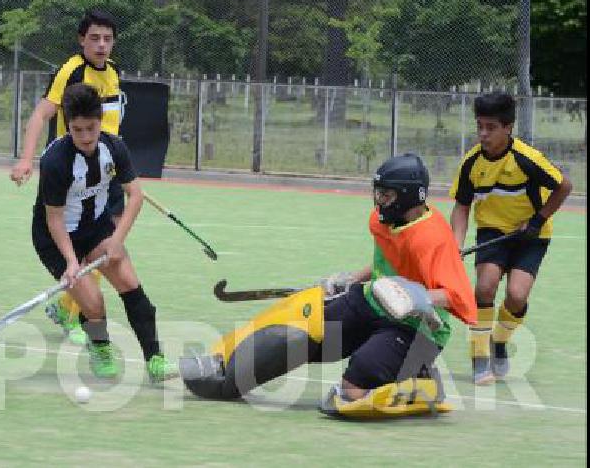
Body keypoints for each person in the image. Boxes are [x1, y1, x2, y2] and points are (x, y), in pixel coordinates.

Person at [180, 154, 476, 419]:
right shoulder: (382, 221)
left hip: (417, 329)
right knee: (304, 327)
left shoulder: (434, 238)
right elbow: (387, 263)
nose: (378, 202)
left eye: (386, 195)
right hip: (372, 302)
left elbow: (457, 296)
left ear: (408, 197)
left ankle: (421, 382)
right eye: (378, 194)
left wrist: (417, 297)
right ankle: (225, 362)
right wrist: (349, 279)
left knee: (350, 393)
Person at [32, 83, 177, 382]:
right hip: (55, 238)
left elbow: (135, 196)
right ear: (68, 125)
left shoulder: (113, 147)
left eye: (91, 128)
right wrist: (72, 263)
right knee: (94, 303)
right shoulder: (55, 161)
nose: (85, 137)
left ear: (100, 121)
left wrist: (116, 240)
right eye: (77, 130)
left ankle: (156, 361)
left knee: (132, 288)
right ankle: (100, 346)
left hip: (96, 227)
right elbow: (54, 218)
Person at [10, 9, 126, 346]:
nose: (102, 45)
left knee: (107, 251)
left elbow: (111, 127)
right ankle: (72, 309)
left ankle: (66, 309)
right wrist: (27, 159)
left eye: (107, 38)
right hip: (75, 180)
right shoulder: (72, 70)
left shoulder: (115, 73)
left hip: (107, 175)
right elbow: (40, 115)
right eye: (94, 38)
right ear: (81, 40)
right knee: (82, 249)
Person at [449, 93, 574, 385]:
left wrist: (537, 220)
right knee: (485, 286)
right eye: (479, 126)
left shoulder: (527, 159)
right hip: (492, 232)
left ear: (508, 127)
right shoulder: (471, 163)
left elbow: (564, 187)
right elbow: (462, 206)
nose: (483, 134)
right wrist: (456, 243)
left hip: (531, 235)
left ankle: (499, 342)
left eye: (490, 127)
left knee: (517, 296)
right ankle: (479, 357)